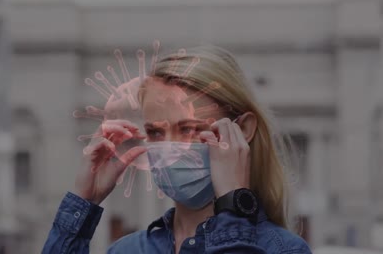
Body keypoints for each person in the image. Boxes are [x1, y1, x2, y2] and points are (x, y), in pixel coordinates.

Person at [42, 45, 312, 253]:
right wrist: (82, 204)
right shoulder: (128, 250)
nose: (171, 149)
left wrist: (233, 204)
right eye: (156, 132)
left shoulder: (282, 249)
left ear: (242, 130)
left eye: (189, 129)